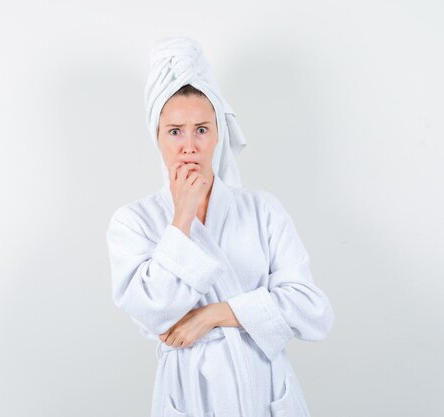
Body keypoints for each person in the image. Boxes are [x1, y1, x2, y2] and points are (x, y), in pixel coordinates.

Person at [105, 37, 334, 417]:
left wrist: (214, 314)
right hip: (190, 395)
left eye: (202, 129)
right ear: (157, 137)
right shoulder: (134, 222)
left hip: (265, 390)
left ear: (218, 134)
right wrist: (181, 219)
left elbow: (314, 312)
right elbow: (151, 312)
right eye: (175, 131)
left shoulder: (262, 210)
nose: (189, 146)